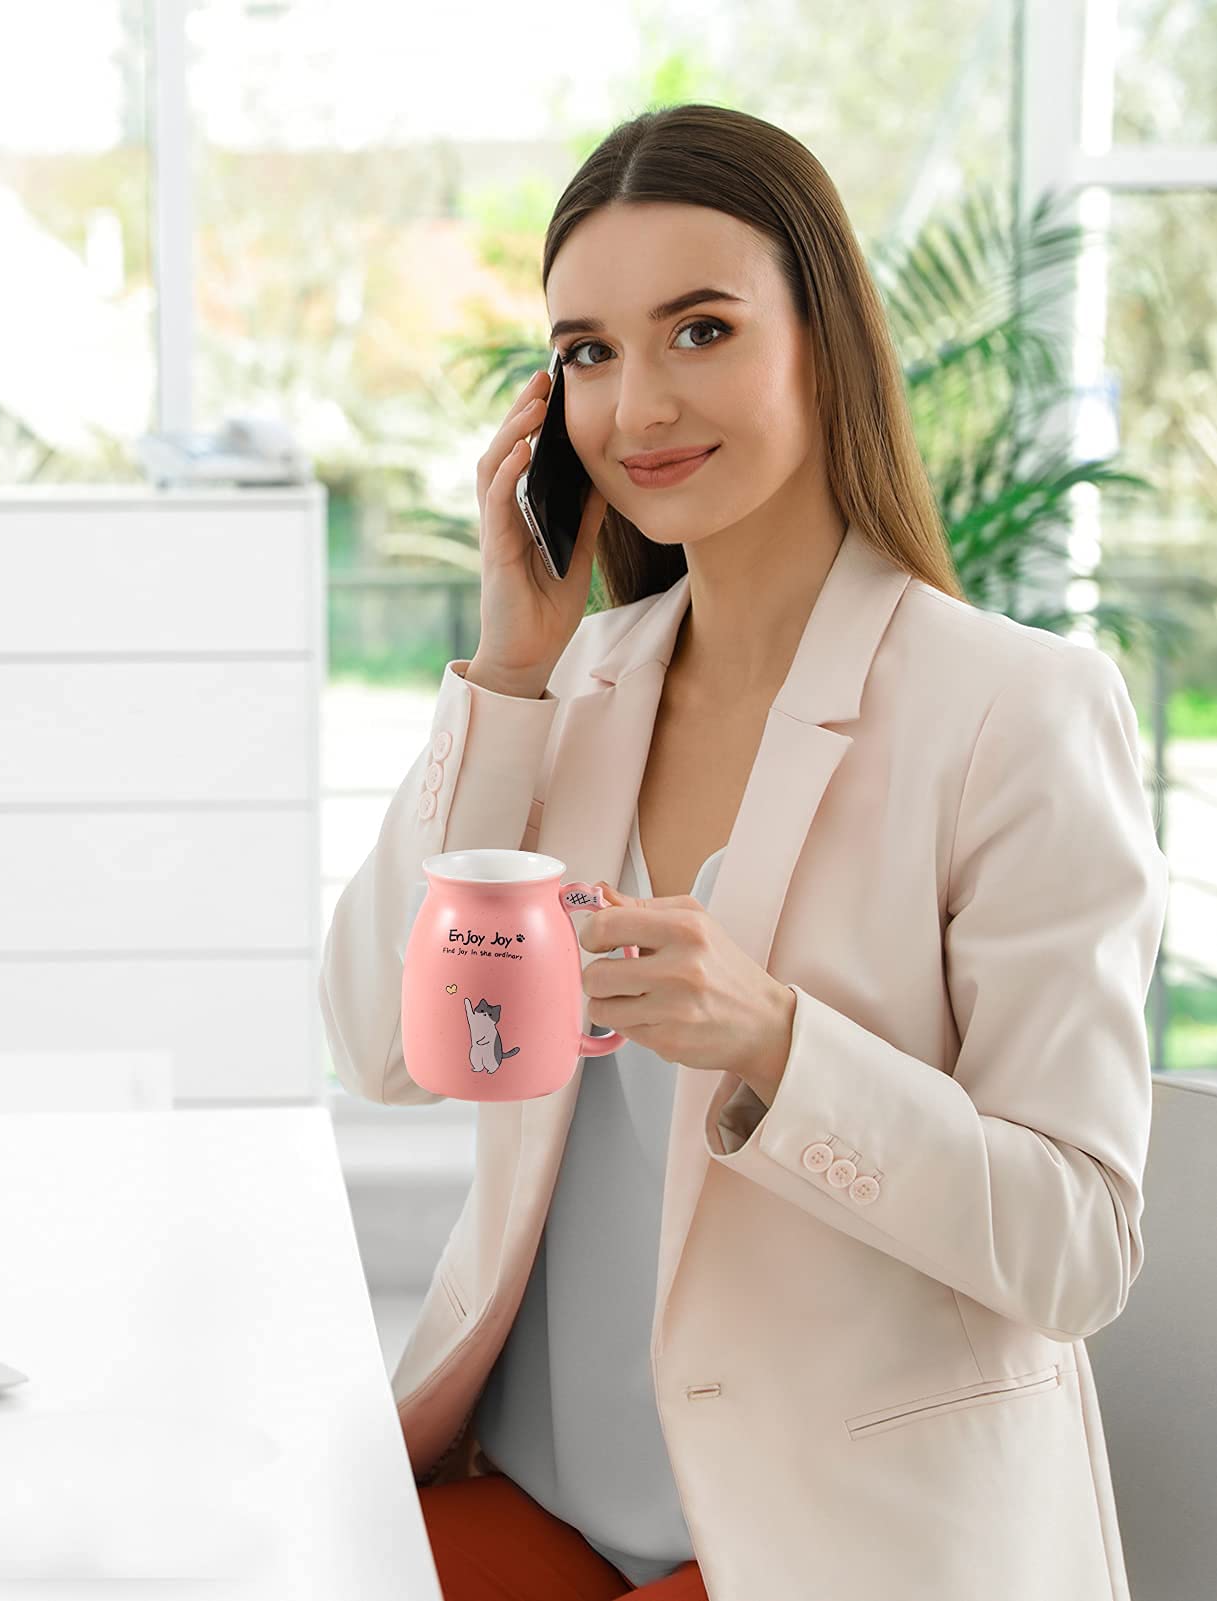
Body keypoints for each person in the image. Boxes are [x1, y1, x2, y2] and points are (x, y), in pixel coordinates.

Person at [319, 101, 1167, 1600]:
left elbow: (1075, 1248)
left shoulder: (1014, 709)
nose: (635, 404)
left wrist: (778, 1038)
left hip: (826, 1543)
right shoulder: (569, 691)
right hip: (536, 1508)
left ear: (822, 338)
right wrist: (507, 670)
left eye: (697, 330)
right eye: (586, 350)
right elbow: (379, 1045)